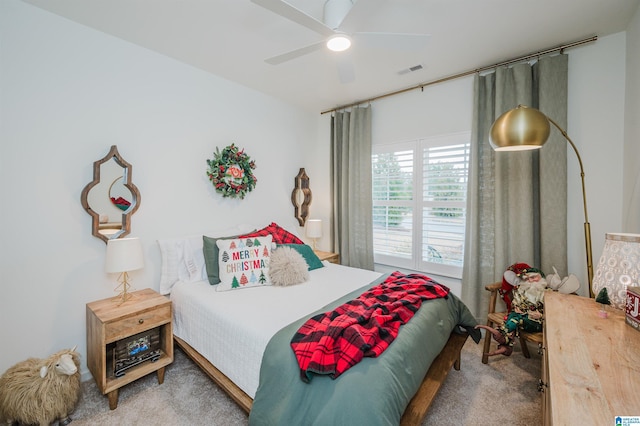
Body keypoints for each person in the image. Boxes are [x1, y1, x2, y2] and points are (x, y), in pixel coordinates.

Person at [476, 263, 547, 356]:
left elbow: (553, 313)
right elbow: (515, 302)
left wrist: (541, 315)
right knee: (514, 316)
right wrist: (516, 307)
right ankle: (505, 342)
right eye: (527, 279)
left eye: (534, 277)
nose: (531, 280)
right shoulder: (521, 290)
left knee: (517, 319)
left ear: (541, 277)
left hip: (536, 322)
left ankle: (502, 336)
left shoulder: (546, 294)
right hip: (520, 316)